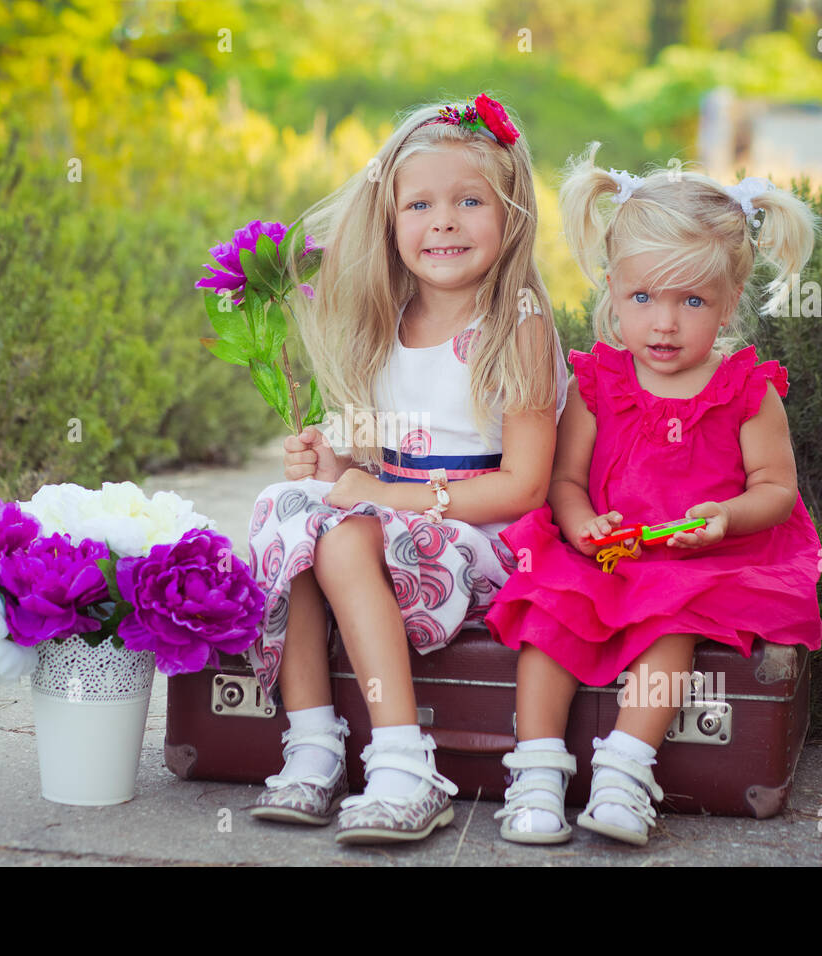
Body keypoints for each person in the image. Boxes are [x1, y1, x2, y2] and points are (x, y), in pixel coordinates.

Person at [244, 96, 567, 845]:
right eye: (419, 203)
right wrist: (327, 464)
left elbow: (524, 487)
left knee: (346, 531)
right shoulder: (379, 321)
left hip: (480, 533)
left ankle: (402, 763)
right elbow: (362, 455)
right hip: (387, 521)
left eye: (469, 201)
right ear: (389, 219)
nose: (443, 221)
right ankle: (316, 746)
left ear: (511, 214)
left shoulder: (515, 323)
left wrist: (377, 493)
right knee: (289, 506)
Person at [485, 143, 822, 847]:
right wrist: (579, 525)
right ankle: (538, 772)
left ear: (730, 300)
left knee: (670, 629)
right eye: (643, 298)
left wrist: (724, 517)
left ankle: (624, 770)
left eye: (691, 301)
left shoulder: (747, 393)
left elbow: (777, 492)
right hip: (605, 554)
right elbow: (566, 481)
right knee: (548, 619)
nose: (663, 324)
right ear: (612, 289)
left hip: (696, 561)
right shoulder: (598, 384)